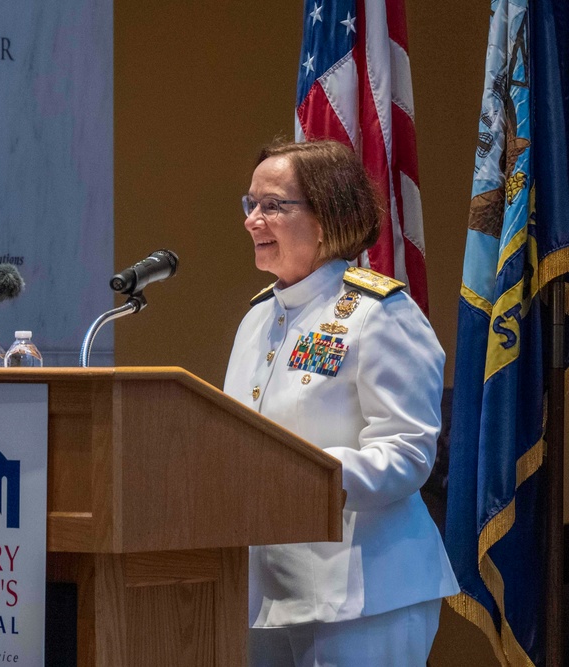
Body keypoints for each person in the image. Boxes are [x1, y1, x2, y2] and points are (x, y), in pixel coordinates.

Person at [223, 139, 459, 666]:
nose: (253, 221)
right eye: (251, 204)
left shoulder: (381, 313)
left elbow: (407, 454)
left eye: (273, 206)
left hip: (365, 594)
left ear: (327, 216)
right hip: (264, 594)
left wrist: (303, 475)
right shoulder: (258, 318)